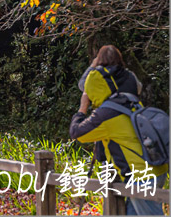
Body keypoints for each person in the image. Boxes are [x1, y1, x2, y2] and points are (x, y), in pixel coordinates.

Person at [70, 45, 168, 215]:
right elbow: (137, 87)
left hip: (141, 178)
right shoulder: (132, 101)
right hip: (155, 168)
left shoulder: (106, 115)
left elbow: (77, 133)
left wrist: (83, 107)